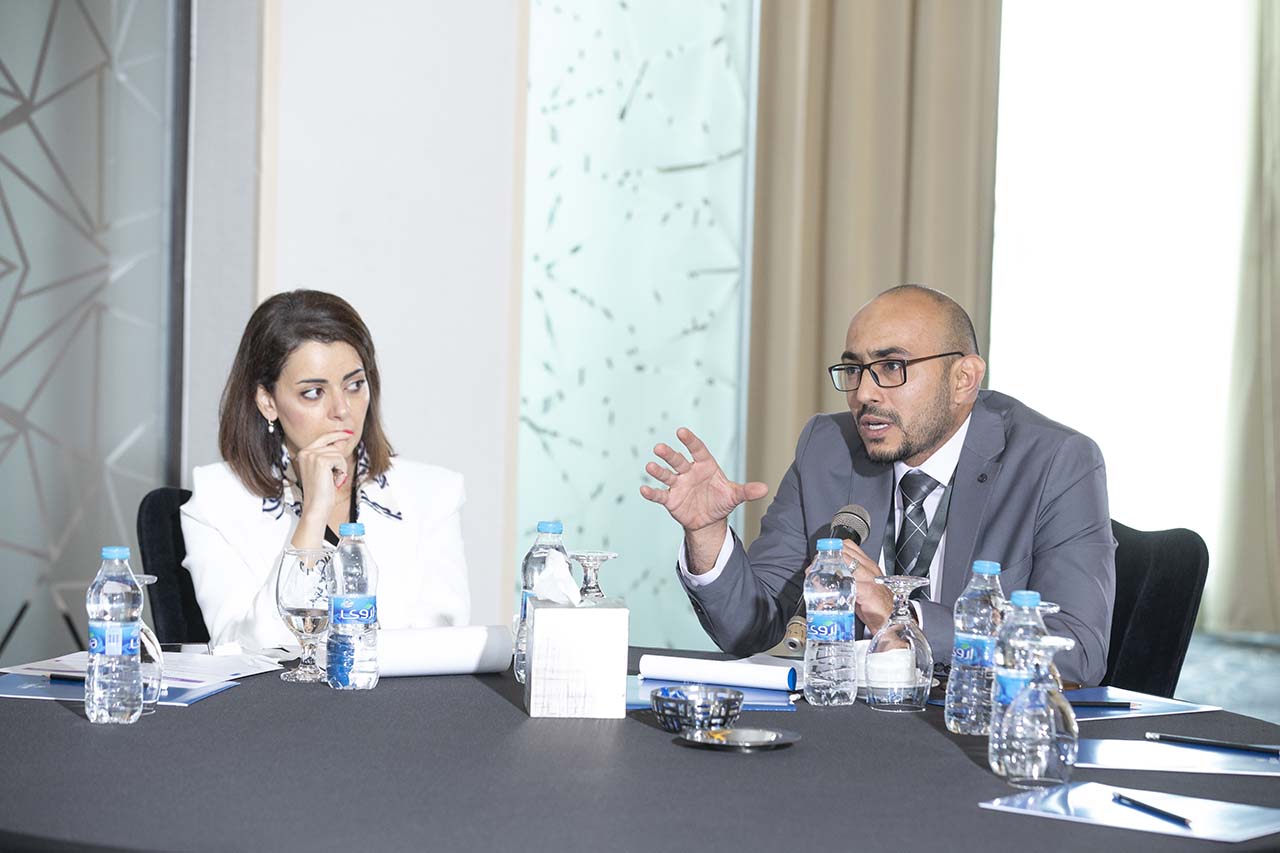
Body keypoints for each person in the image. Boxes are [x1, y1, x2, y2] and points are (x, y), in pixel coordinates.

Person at [640, 285, 1115, 686]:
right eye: (854, 370)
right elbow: (757, 628)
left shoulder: (1056, 461)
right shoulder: (827, 447)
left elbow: (1076, 649)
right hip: (849, 733)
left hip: (971, 734)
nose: (864, 393)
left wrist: (902, 617)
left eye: (891, 367)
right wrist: (707, 536)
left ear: (964, 379)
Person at [181, 290, 470, 651]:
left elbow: (442, 648)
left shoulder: (433, 494)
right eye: (314, 393)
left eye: (354, 385)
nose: (341, 409)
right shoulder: (216, 500)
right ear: (267, 401)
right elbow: (245, 649)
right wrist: (313, 515)